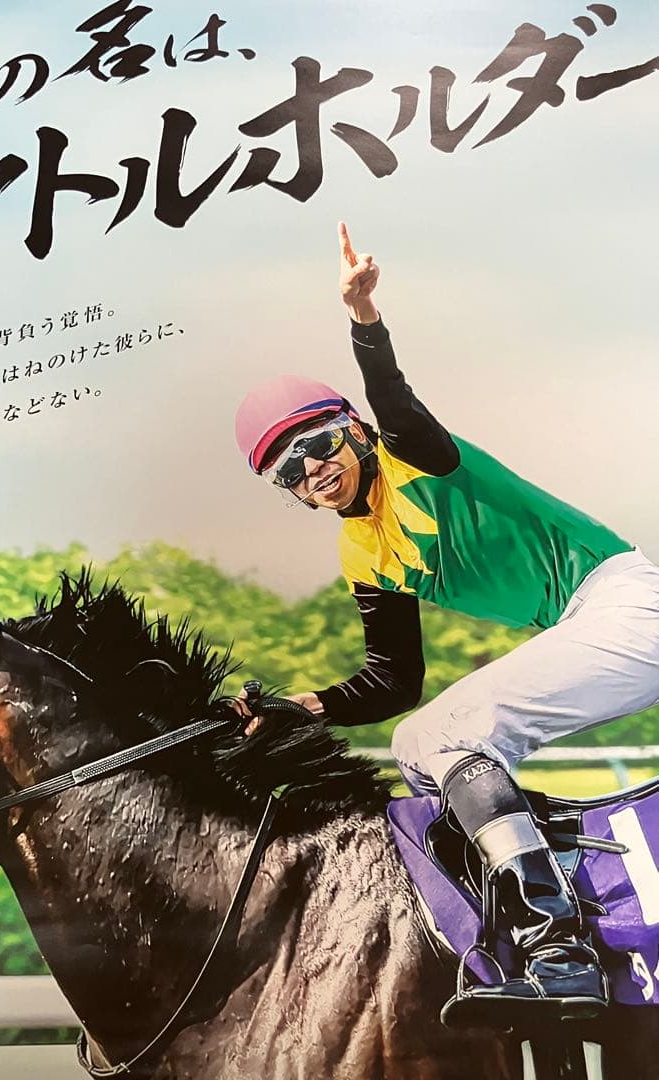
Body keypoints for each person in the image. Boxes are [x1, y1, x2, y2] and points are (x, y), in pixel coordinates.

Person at [233, 222, 659, 1026]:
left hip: (624, 600)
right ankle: (546, 922)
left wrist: (363, 316)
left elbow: (393, 396)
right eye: (289, 470)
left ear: (353, 430)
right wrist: (302, 707)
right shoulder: (361, 551)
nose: (313, 469)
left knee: (451, 733)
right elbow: (394, 679)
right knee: (416, 745)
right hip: (588, 621)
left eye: (318, 444)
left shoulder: (412, 455)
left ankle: (559, 951)